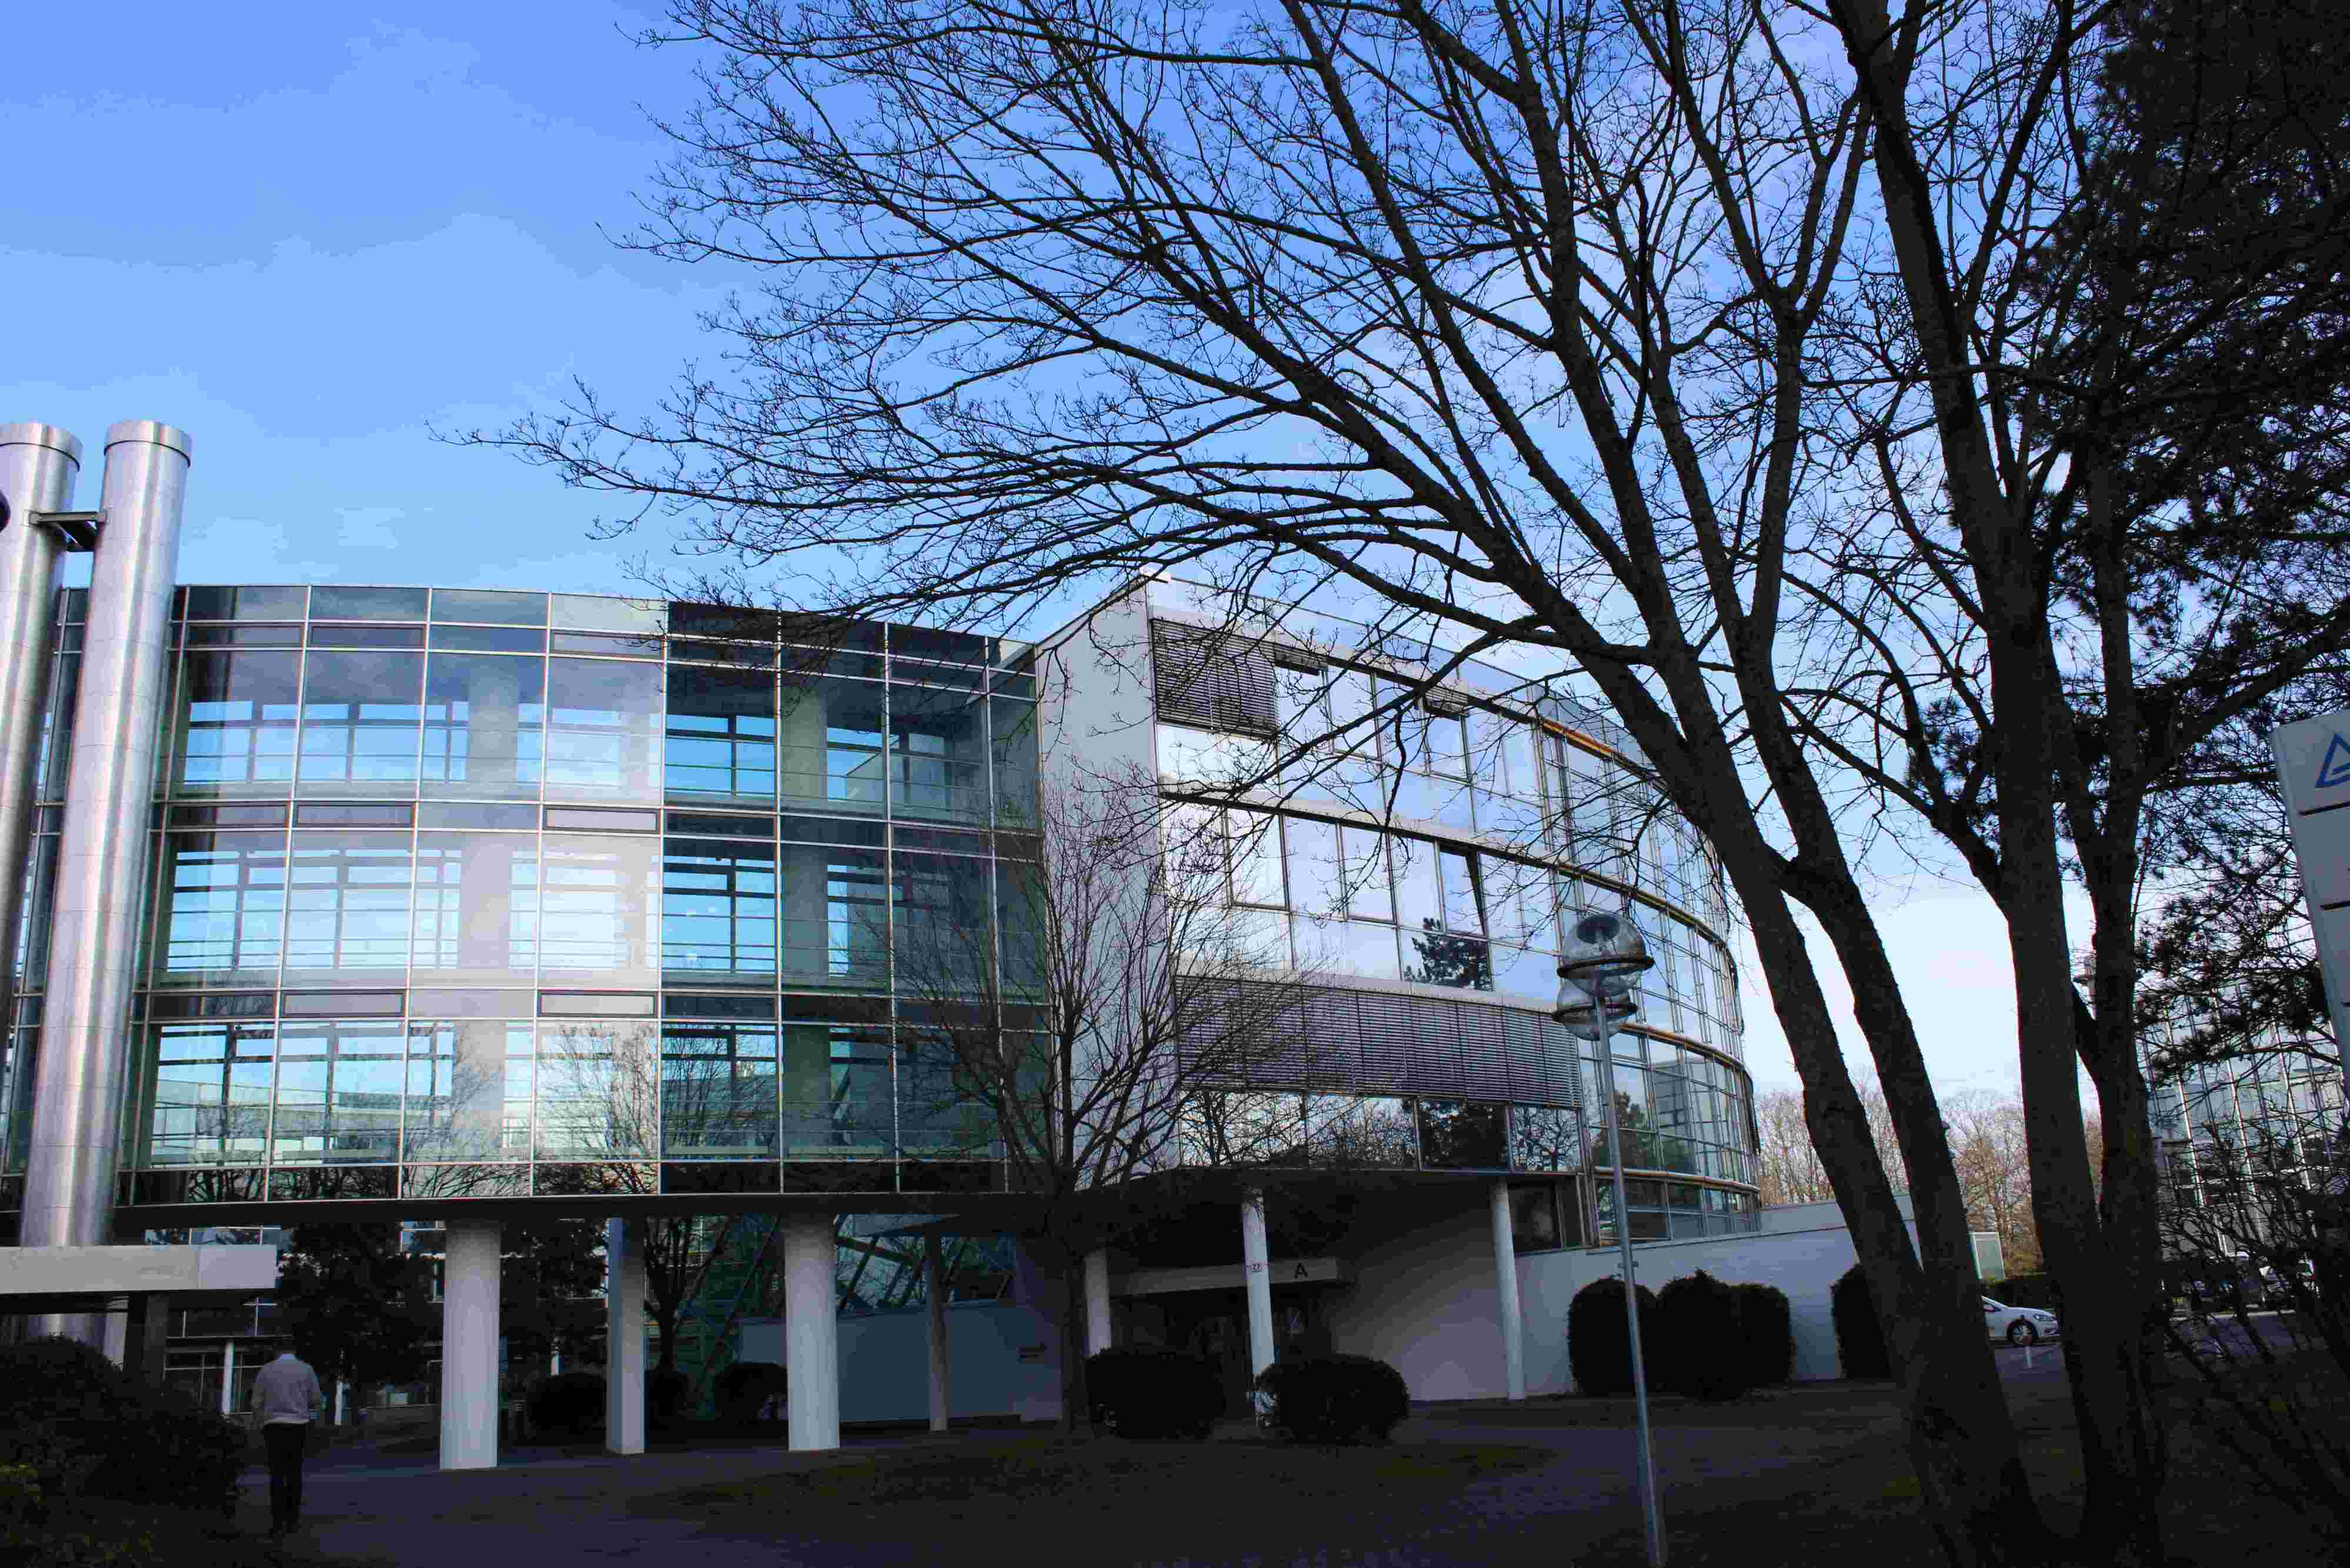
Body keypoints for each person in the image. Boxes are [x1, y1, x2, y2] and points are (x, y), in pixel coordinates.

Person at [251, 1344, 323, 1538]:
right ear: (295, 1351)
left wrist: (257, 1424)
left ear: (277, 1351)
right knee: (294, 1473)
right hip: (298, 1426)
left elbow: (256, 1402)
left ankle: (277, 1523)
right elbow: (317, 1400)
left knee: (276, 1474)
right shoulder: (306, 1369)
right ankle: (292, 1521)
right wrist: (301, 1402)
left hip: (273, 1426)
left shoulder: (266, 1370)